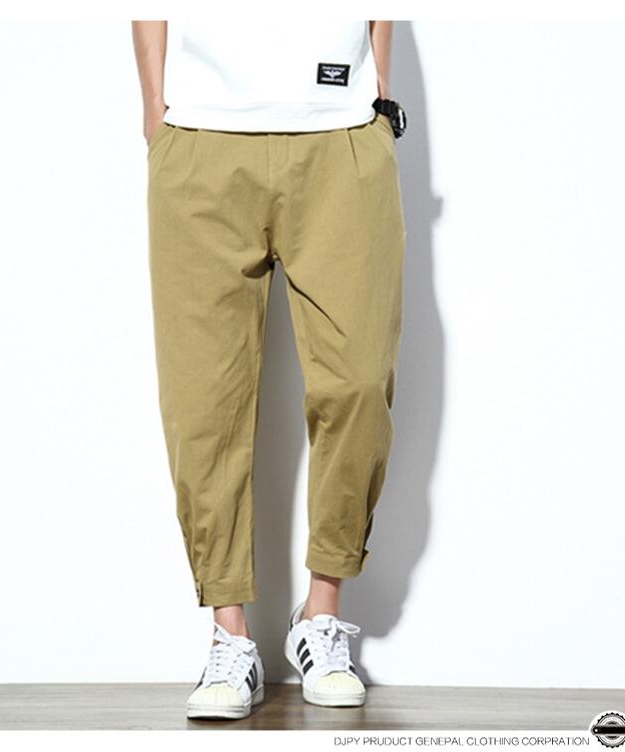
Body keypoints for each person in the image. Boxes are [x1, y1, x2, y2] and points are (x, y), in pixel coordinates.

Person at [131, 19, 407, 720]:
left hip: (341, 134)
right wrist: (155, 108)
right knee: (203, 399)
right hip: (202, 136)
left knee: (358, 381)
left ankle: (321, 617)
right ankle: (229, 637)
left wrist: (378, 99)